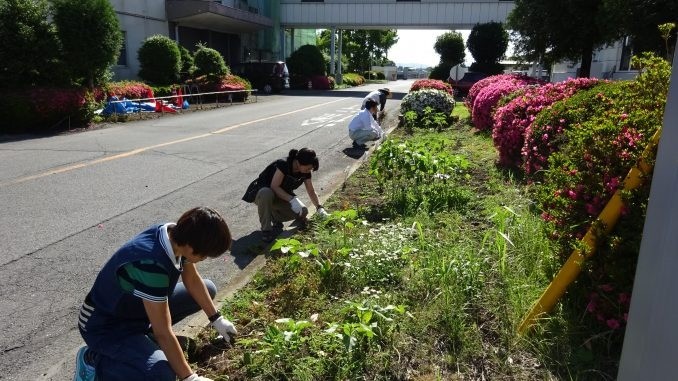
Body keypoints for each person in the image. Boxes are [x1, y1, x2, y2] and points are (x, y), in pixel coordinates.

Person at [73, 207, 235, 381]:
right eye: (205, 255)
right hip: (106, 326)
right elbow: (163, 332)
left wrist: (216, 318)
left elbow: (193, 280)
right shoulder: (151, 264)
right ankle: (94, 360)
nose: (205, 259)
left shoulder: (175, 234)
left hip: (135, 311)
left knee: (207, 288)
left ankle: (141, 341)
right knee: (162, 375)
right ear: (190, 246)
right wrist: (190, 377)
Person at [241, 148, 329, 243]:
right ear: (299, 162)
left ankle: (274, 217)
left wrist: (319, 207)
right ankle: (266, 230)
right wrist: (292, 200)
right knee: (266, 192)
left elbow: (311, 191)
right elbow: (274, 186)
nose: (309, 171)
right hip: (261, 194)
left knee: (303, 212)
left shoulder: (305, 172)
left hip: (281, 196)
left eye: (310, 169)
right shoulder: (283, 164)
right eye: (308, 168)